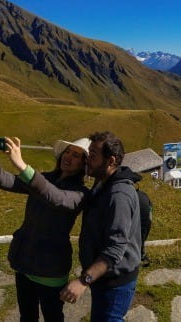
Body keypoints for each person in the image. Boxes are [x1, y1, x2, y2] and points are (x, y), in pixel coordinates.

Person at [0, 134, 90, 322]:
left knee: (53, 317)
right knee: (27, 316)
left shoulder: (80, 193)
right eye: (68, 152)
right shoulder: (45, 178)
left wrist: (21, 164)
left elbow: (56, 197)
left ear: (84, 165)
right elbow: (6, 181)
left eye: (76, 156)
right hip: (25, 261)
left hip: (50, 270)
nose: (68, 157)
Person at [58, 131, 142, 321]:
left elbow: (115, 248)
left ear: (111, 160)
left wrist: (82, 281)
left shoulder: (119, 196)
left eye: (93, 155)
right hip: (103, 277)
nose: (87, 159)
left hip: (114, 283)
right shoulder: (103, 182)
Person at [135, 182, 152, 266]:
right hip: (145, 217)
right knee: (143, 231)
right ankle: (141, 254)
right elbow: (149, 221)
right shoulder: (144, 195)